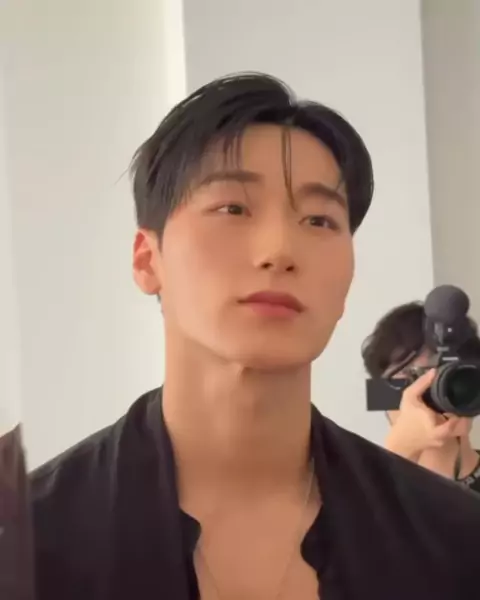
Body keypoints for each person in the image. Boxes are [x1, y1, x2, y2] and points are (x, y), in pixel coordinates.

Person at [31, 73, 480, 600]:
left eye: (319, 220)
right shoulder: (31, 544)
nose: (279, 250)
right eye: (233, 208)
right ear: (148, 259)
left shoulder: (454, 540)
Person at [362, 301, 480, 493]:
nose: (424, 395)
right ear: (381, 392)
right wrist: (400, 451)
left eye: (442, 376)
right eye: (407, 377)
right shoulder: (356, 489)